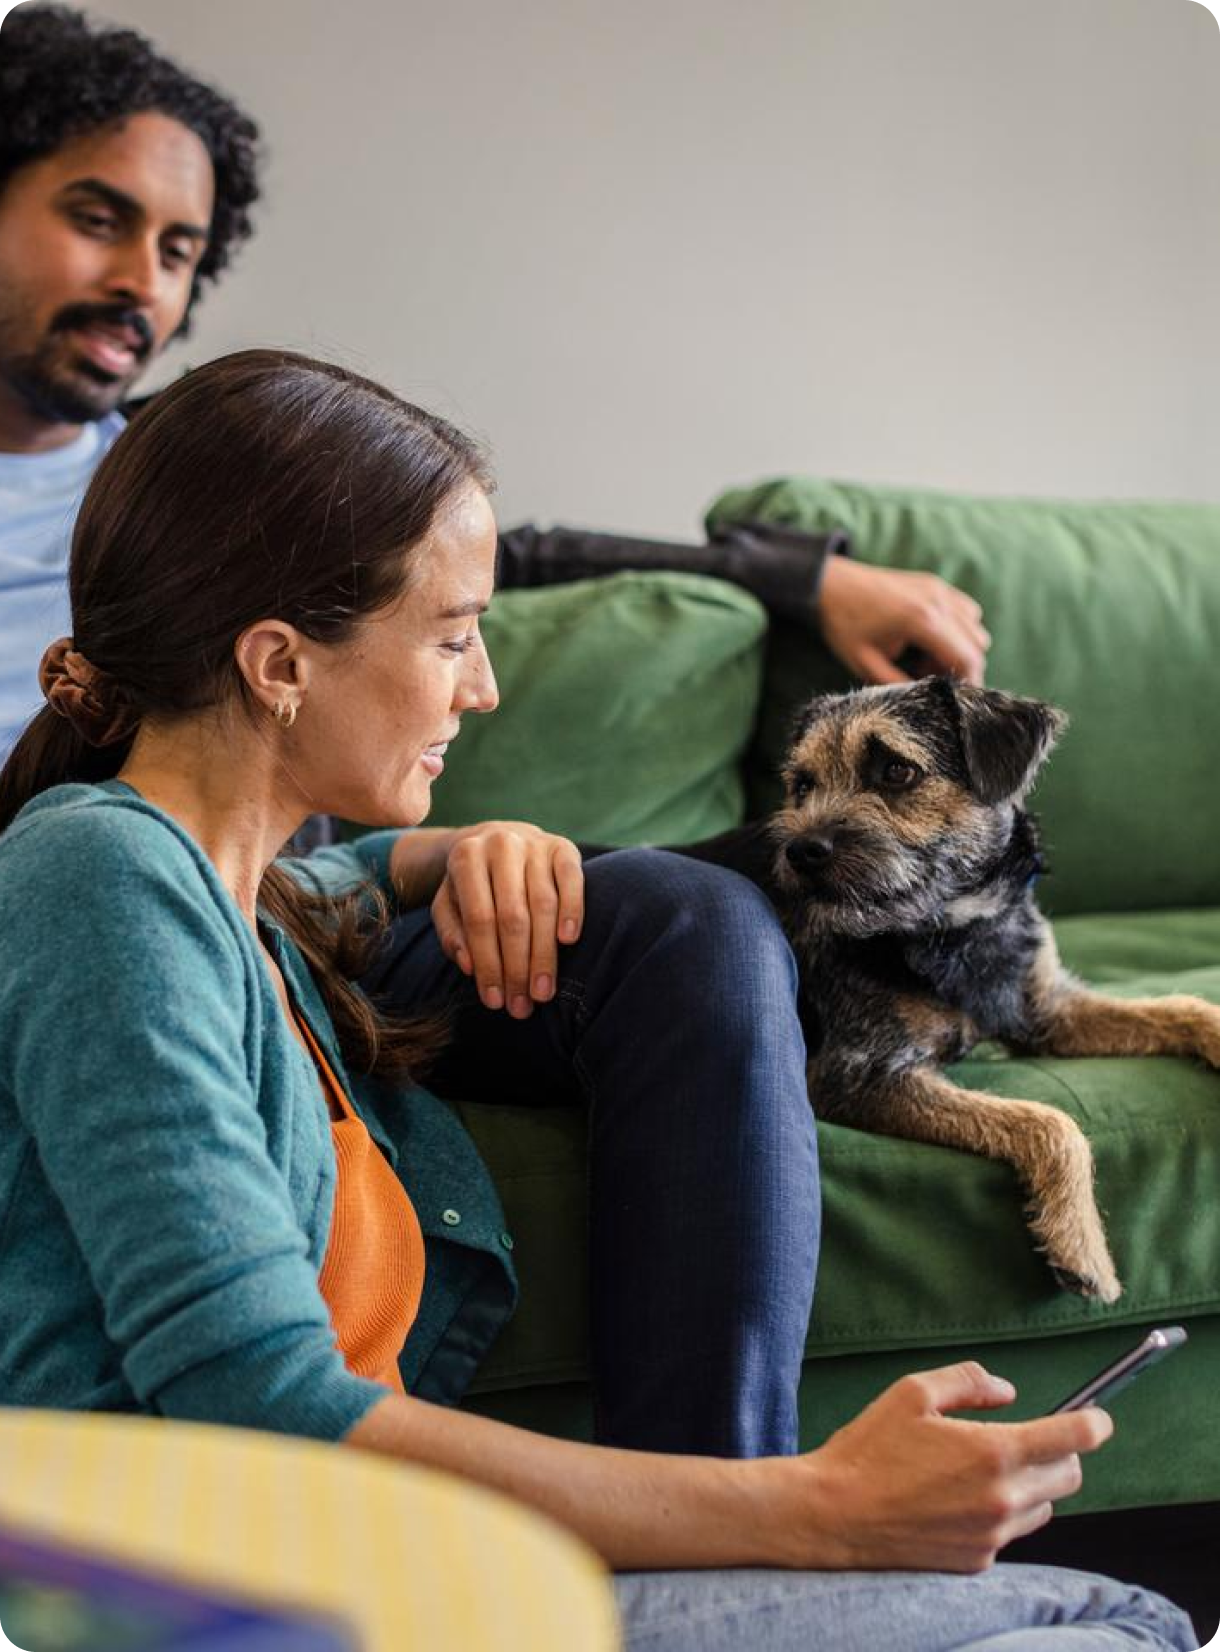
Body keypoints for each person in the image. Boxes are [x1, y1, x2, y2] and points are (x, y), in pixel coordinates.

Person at [0, 349, 1194, 1652]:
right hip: (220, 1595)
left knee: (1105, 1619)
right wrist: (810, 1509)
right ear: (280, 662)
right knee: (1116, 1618)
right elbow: (261, 1403)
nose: (483, 687)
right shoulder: (101, 877)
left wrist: (449, 848)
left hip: (341, 1560)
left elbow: (310, 886)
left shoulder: (241, 905)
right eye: (454, 637)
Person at [0, 5, 990, 766]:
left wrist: (804, 578)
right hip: (87, 914)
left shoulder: (179, 475)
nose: (142, 281)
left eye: (179, 249)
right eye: (96, 219)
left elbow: (483, 555)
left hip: (245, 909)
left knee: (697, 909)